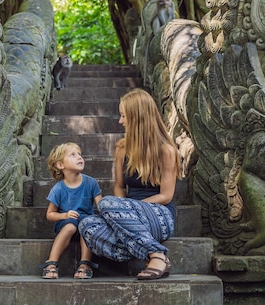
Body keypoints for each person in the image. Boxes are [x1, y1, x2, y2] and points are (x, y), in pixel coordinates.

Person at [78, 88, 182, 280]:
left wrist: (125, 209)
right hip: (128, 217)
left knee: (106, 203)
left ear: (138, 117)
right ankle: (147, 251)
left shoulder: (166, 150)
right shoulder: (121, 148)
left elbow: (166, 195)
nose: (120, 121)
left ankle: (157, 256)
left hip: (160, 215)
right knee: (86, 224)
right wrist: (122, 211)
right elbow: (119, 186)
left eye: (124, 115)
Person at [39, 142, 103, 279]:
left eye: (80, 154)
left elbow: (102, 206)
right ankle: (51, 263)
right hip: (66, 224)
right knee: (70, 226)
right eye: (73, 155)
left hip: (86, 225)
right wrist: (64, 215)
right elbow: (50, 214)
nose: (79, 157)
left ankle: (85, 264)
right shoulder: (58, 188)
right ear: (60, 165)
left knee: (87, 224)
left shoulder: (91, 183)